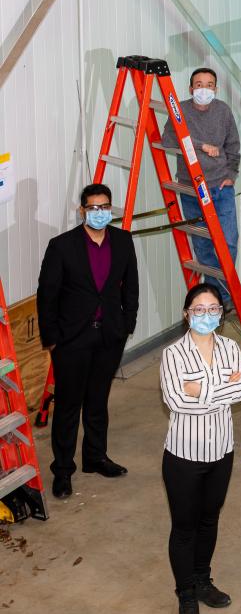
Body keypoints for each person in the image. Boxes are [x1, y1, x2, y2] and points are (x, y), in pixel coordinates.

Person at [37, 183, 139, 499]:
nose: (100, 213)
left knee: (98, 401)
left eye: (105, 207)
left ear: (111, 208)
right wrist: (52, 338)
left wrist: (126, 324)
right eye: (93, 208)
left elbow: (130, 288)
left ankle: (95, 458)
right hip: (71, 339)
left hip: (109, 335)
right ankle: (63, 470)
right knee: (68, 405)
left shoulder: (122, 241)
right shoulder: (62, 246)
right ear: (82, 211)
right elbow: (47, 295)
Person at [160, 283, 241, 614]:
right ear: (187, 314)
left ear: (221, 314)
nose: (206, 315)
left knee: (209, 520)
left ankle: (201, 580)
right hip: (184, 456)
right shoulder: (173, 354)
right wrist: (221, 388)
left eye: (213, 309)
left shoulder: (230, 347)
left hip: (221, 452)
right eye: (199, 309)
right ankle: (185, 595)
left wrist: (200, 388)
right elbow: (176, 401)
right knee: (184, 528)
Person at [161, 67, 241, 304]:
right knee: (203, 248)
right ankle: (214, 299)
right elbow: (168, 138)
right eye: (199, 84)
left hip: (220, 187)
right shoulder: (181, 111)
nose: (203, 89)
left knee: (228, 243)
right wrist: (201, 145)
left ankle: (221, 297)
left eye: (209, 85)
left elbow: (233, 145)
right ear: (190, 88)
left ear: (215, 89)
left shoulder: (223, 111)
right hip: (191, 190)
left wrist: (232, 174)